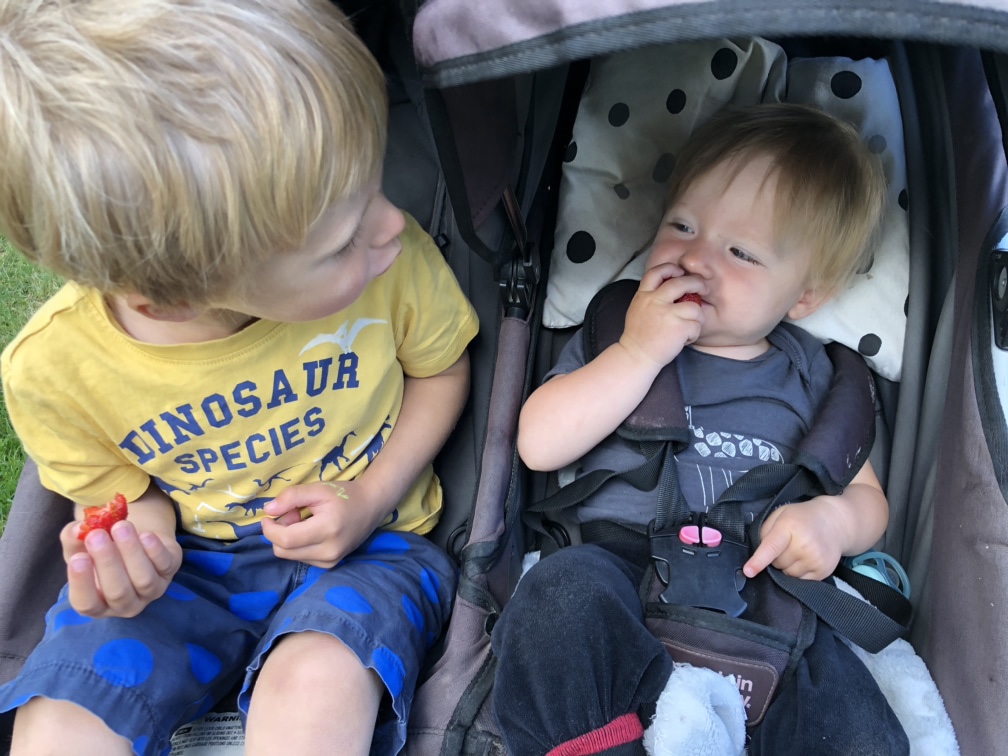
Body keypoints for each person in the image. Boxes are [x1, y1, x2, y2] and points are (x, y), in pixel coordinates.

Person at [0, 1, 478, 754]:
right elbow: (127, 494)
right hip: (192, 571)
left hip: (372, 546)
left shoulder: (391, 267)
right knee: (65, 718)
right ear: (176, 301)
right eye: (341, 241)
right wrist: (139, 554)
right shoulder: (60, 371)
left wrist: (369, 498)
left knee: (316, 688)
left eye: (374, 185)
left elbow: (441, 369)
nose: (392, 224)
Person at [491, 103, 909, 755]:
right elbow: (538, 444)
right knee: (554, 599)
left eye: (740, 251)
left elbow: (867, 499)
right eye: (681, 225)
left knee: (857, 725)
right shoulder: (619, 332)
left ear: (804, 296)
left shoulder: (814, 375)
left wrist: (832, 523)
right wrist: (638, 353)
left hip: (765, 600)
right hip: (621, 575)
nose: (696, 257)